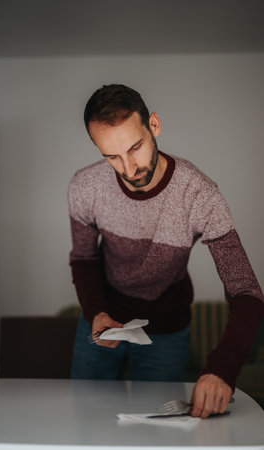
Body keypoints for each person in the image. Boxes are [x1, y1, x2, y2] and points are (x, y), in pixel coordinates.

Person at [68, 84, 264, 418]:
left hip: (167, 329)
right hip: (101, 323)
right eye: (112, 156)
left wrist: (223, 368)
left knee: (157, 433)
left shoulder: (200, 194)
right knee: (86, 420)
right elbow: (84, 259)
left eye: (135, 148)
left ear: (154, 126)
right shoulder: (84, 186)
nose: (129, 169)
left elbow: (246, 291)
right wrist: (96, 311)